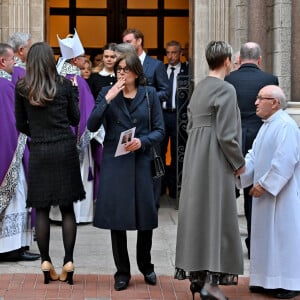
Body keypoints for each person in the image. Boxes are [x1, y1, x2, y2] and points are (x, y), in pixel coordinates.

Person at [87, 52, 164, 292]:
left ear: (136, 73)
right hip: (115, 161)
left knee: (145, 218)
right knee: (117, 220)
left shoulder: (149, 95)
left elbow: (160, 130)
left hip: (141, 160)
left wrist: (143, 141)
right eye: (119, 69)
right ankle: (122, 271)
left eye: (126, 69)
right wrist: (108, 99)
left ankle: (146, 265)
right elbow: (91, 125)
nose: (121, 73)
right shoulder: (106, 93)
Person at [175, 41, 245, 300]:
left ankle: (199, 279)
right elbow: (227, 135)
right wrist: (239, 162)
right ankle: (211, 285)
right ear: (227, 60)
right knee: (218, 218)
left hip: (195, 157)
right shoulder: (227, 90)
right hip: (215, 159)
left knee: (199, 218)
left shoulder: (199, 88)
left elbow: (190, 125)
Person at [15, 42, 85, 285]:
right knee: (67, 209)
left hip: (41, 150)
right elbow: (75, 118)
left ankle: (45, 261)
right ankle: (68, 260)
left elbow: (20, 125)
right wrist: (74, 96)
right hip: (64, 148)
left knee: (41, 208)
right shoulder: (65, 85)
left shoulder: (23, 88)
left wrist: (37, 132)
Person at [236, 85, 300, 299]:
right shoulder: (266, 126)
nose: (255, 102)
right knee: (265, 239)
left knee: (283, 239)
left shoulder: (286, 126)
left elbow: (285, 161)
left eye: (260, 98)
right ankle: (265, 280)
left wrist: (264, 184)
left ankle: (289, 283)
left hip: (282, 196)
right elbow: (254, 155)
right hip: (262, 196)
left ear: (274, 103)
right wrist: (241, 171)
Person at [225, 42, 279, 258]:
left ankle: (226, 243)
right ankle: (254, 243)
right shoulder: (270, 80)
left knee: (229, 192)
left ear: (239, 60)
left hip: (234, 141)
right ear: (259, 59)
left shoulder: (229, 80)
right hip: (260, 140)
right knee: (254, 193)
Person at [50, 29, 98, 224]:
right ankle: (79, 215)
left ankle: (56, 214)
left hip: (57, 137)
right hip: (75, 139)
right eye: (82, 57)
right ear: (75, 60)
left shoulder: (54, 77)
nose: (84, 60)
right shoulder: (77, 80)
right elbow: (88, 111)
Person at [0, 43, 39, 262]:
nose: (15, 63)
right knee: (17, 197)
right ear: (2, 61)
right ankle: (12, 248)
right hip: (9, 152)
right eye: (13, 60)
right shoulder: (4, 86)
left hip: (4, 149)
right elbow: (12, 123)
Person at [122, 28, 169, 205]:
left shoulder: (155, 65)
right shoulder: (123, 65)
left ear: (139, 41)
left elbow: (165, 90)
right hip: (129, 120)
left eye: (129, 41)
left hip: (151, 121)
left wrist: (147, 97)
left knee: (155, 159)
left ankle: (153, 201)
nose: (126, 45)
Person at [161, 40, 189, 201]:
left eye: (174, 53)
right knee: (160, 150)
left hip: (180, 117)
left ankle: (175, 189)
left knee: (178, 152)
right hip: (163, 115)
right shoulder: (162, 70)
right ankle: (159, 189)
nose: (170, 56)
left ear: (180, 53)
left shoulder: (187, 70)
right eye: (168, 53)